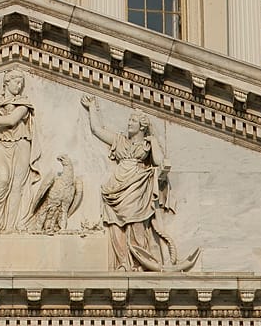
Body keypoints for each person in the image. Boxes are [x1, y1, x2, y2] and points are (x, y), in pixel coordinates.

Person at [80, 96, 198, 271]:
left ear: (142, 126)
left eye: (133, 120)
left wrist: (155, 142)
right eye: (129, 120)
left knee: (137, 223)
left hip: (137, 186)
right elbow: (97, 130)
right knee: (115, 225)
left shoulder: (147, 145)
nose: (129, 123)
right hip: (116, 188)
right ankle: (121, 263)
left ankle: (138, 261)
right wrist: (91, 108)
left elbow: (158, 162)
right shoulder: (119, 140)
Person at [0, 71, 36, 232]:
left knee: (18, 185)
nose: (19, 86)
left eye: (21, 84)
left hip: (21, 144)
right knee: (2, 178)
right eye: (17, 82)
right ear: (7, 82)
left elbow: (11, 120)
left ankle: (14, 225)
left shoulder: (24, 103)